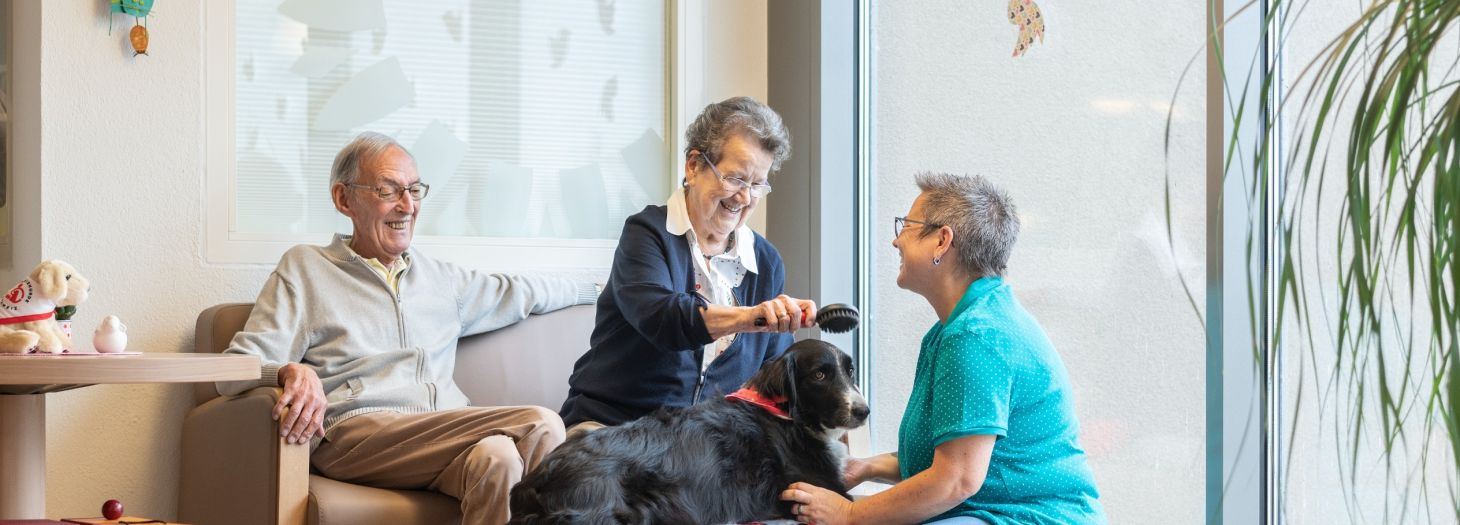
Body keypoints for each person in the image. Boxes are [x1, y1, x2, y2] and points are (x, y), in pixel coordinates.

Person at [216, 132, 598, 524]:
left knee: (497, 458)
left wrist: (606, 292)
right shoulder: (307, 268)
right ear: (343, 199)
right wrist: (288, 370)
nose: (408, 205)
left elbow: (519, 292)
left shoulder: (441, 280)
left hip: (440, 433)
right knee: (542, 422)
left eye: (414, 190)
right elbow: (233, 370)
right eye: (389, 190)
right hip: (358, 433)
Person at [781, 173, 1106, 524]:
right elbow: (952, 457)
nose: (896, 241)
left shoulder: (977, 336)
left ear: (941, 241)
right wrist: (865, 466)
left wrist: (848, 513)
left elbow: (956, 479)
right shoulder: (961, 325)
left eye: (905, 226)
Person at [558, 96, 817, 435]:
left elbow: (769, 380)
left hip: (697, 451)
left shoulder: (765, 262)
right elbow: (665, 319)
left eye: (757, 185)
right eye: (736, 179)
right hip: (612, 430)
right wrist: (752, 316)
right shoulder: (647, 234)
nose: (744, 198)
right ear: (694, 166)